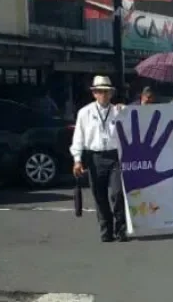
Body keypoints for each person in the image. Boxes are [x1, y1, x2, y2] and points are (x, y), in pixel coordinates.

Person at [70, 76, 128, 243]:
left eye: (106, 91)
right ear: (94, 93)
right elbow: (78, 137)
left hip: (114, 155)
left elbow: (131, 125)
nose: (103, 94)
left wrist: (126, 111)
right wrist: (77, 160)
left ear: (111, 94)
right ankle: (106, 230)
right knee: (99, 195)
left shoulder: (118, 110)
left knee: (117, 193)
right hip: (94, 156)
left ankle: (121, 229)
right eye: (100, 91)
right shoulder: (85, 113)